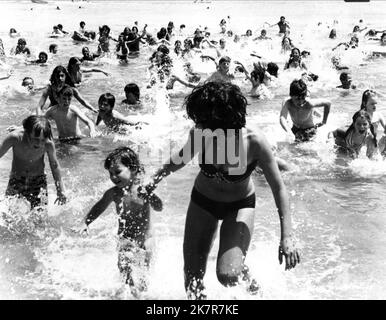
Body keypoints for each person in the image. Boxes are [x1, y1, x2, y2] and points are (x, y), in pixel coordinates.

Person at [140, 82, 300, 299]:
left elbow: (279, 188)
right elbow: (180, 159)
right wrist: (154, 178)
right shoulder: (200, 133)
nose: (200, 125)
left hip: (239, 205)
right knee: (192, 277)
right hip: (203, 202)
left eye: (205, 121)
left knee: (228, 275)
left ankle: (255, 290)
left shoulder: (254, 141)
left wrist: (287, 237)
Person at [77, 147, 162, 294]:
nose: (113, 177)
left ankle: (142, 294)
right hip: (125, 239)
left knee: (143, 277)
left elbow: (159, 207)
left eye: (117, 172)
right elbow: (100, 206)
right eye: (110, 173)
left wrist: (152, 196)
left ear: (133, 169)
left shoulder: (143, 190)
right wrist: (86, 222)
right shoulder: (114, 193)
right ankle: (127, 293)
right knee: (125, 272)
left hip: (146, 239)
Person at [0, 115, 66, 209]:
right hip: (16, 180)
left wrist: (60, 190)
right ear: (27, 132)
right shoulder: (15, 138)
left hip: (38, 181)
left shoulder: (48, 144)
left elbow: (54, 165)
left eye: (42, 140)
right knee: (11, 214)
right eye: (35, 138)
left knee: (40, 215)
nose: (39, 143)